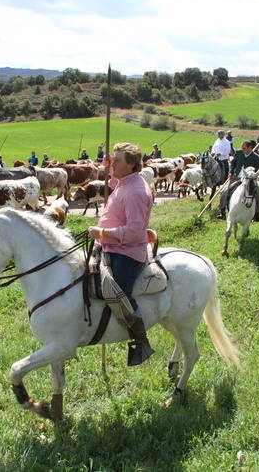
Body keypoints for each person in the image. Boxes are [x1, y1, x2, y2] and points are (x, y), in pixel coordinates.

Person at [87, 143, 154, 366]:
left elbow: (135, 232)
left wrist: (102, 232)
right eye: (112, 159)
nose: (112, 163)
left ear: (132, 164)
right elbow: (117, 185)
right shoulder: (127, 182)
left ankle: (140, 341)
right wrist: (109, 169)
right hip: (108, 245)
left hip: (126, 252)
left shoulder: (136, 191)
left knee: (118, 293)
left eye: (117, 161)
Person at [216, 140, 259, 221]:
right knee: (224, 191)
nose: (242, 149)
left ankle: (257, 213)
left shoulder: (256, 157)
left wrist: (254, 176)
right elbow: (233, 163)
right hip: (237, 177)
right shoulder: (239, 153)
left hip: (250, 180)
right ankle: (222, 211)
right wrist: (231, 173)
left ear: (250, 148)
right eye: (242, 148)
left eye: (244, 148)